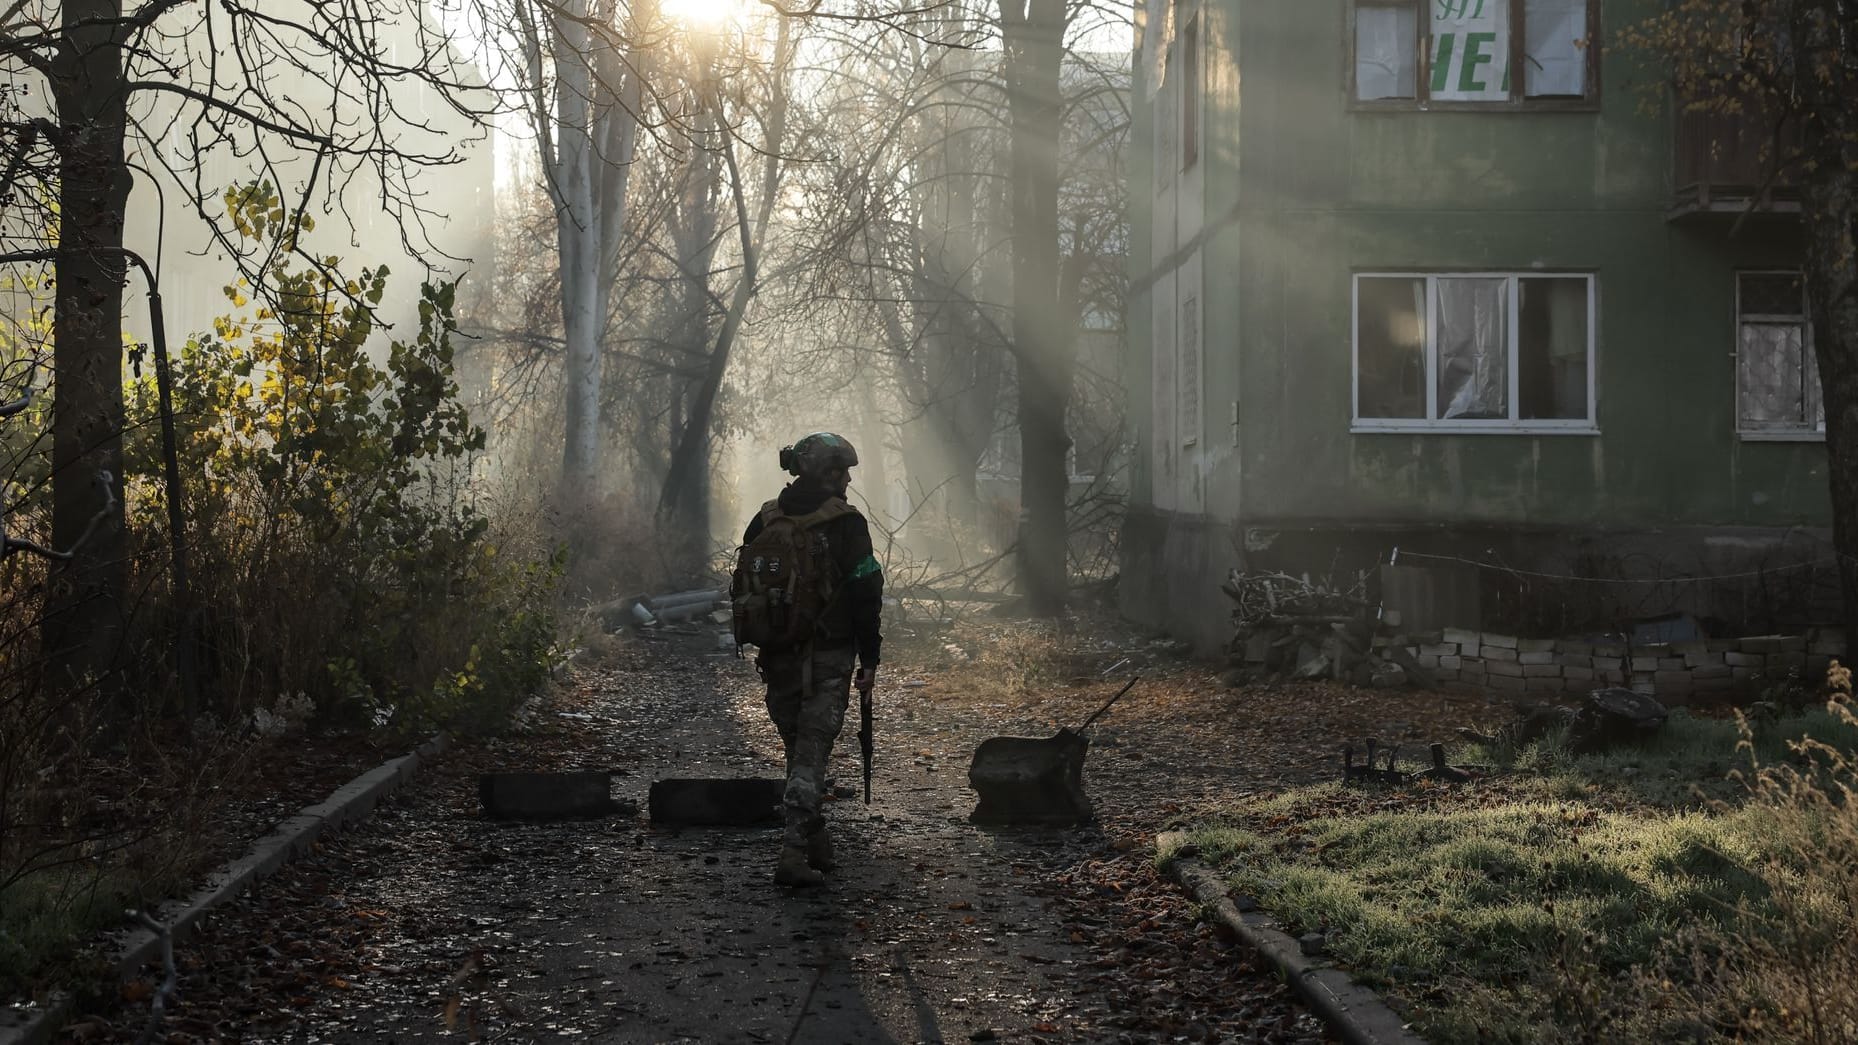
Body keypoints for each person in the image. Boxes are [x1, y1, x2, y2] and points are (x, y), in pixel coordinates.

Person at [739, 432, 883, 887]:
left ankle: (816, 839)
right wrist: (870, 658)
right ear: (828, 472)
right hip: (828, 656)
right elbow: (866, 593)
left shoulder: (763, 521)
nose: (848, 480)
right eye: (843, 471)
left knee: (801, 752)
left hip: (776, 657)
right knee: (810, 755)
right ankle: (793, 855)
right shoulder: (847, 524)